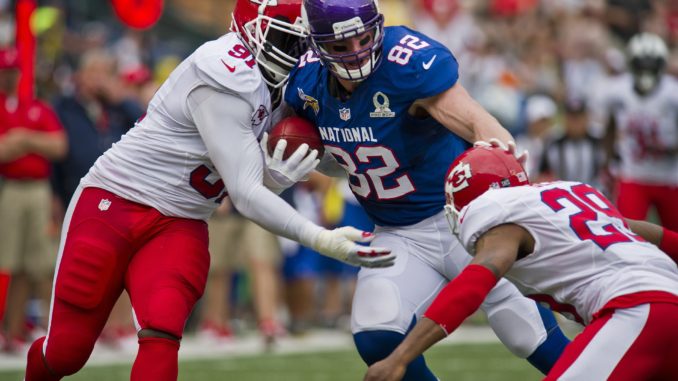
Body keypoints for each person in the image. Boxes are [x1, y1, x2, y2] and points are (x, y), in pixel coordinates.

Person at [23, 0, 395, 380]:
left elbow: (247, 179)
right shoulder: (225, 67)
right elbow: (246, 192)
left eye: (301, 46)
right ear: (253, 30)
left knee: (163, 331)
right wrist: (319, 237)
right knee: (67, 352)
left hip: (181, 220)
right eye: (285, 40)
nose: (293, 54)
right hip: (115, 202)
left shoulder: (284, 85)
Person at [285, 0, 570, 379]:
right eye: (340, 47)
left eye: (363, 39)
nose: (356, 53)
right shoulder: (305, 84)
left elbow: (479, 126)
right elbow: (294, 146)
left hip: (465, 222)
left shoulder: (406, 64)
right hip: (398, 232)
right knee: (376, 336)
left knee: (529, 337)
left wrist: (508, 174)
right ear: (317, 45)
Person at [364, 145, 678, 381]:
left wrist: (401, 357)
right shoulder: (570, 193)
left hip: (636, 308)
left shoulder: (499, 217)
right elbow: (657, 235)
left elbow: (474, 285)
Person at [0, 47, 67, 353]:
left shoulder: (36, 107)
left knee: (32, 262)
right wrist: (32, 141)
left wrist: (23, 139)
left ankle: (15, 331)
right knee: (6, 261)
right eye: (5, 71)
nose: (9, 76)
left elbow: (58, 146)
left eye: (13, 71)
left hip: (37, 188)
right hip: (10, 188)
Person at [602, 32, 678, 230]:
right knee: (626, 233)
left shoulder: (672, 93)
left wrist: (667, 148)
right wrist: (608, 160)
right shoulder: (618, 91)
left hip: (670, 176)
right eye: (641, 65)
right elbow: (609, 127)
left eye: (651, 65)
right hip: (633, 173)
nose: (646, 71)